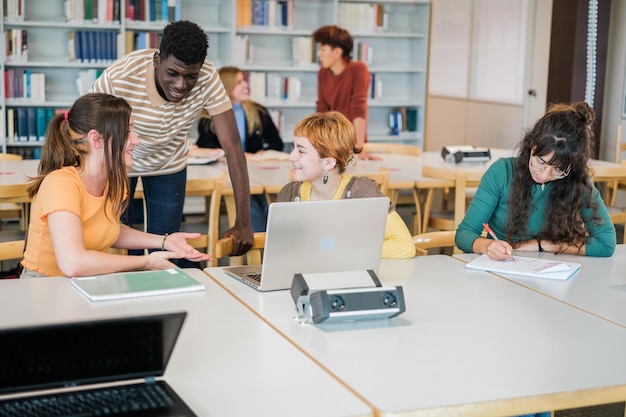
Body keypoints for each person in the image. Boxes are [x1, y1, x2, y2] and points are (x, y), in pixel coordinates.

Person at [89, 20, 253, 259]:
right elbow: (85, 126)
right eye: (172, 73)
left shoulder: (208, 76)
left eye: (190, 77)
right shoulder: (121, 75)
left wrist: (243, 221)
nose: (180, 85)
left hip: (169, 164)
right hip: (120, 163)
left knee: (167, 243)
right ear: (157, 60)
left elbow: (232, 145)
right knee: (119, 241)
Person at [20, 93, 210, 278]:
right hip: (44, 285)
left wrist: (165, 241)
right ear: (96, 139)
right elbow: (73, 263)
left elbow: (108, 229)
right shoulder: (61, 183)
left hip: (87, 281)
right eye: (127, 131)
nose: (136, 140)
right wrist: (146, 262)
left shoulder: (113, 180)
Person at [455, 101, 616, 260]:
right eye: (540, 162)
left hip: (551, 271)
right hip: (502, 266)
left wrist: (543, 245)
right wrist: (487, 246)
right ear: (531, 145)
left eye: (558, 170)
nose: (544, 175)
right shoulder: (502, 172)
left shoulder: (577, 182)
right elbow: (464, 234)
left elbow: (606, 243)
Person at [276, 111, 415, 259]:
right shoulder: (290, 193)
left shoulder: (362, 193)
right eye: (293, 147)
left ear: (328, 163)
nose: (291, 157)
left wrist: (343, 251)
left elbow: (405, 246)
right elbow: (279, 250)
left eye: (301, 151)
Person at [191, 66, 284, 232]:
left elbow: (276, 143)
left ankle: (269, 239)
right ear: (227, 86)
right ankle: (260, 241)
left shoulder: (258, 111)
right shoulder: (209, 115)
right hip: (226, 171)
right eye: (239, 82)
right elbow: (206, 146)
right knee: (251, 197)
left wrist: (262, 153)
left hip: (256, 169)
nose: (245, 86)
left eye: (244, 81)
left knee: (265, 198)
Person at [312, 25, 379, 161]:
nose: (319, 54)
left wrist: (359, 149)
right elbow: (322, 110)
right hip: (330, 144)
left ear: (337, 52)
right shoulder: (323, 72)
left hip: (353, 143)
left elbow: (359, 109)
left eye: (323, 49)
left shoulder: (358, 69)